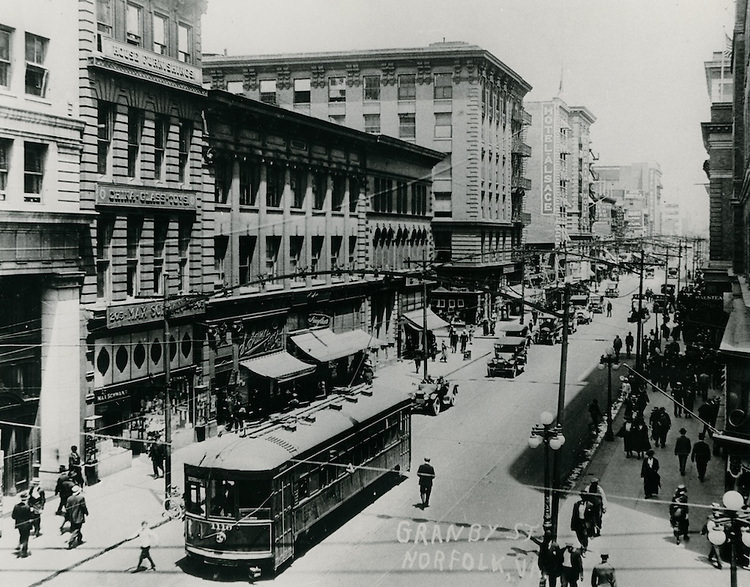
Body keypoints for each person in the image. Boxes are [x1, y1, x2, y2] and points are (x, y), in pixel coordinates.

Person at [12, 492, 33, 558]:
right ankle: (24, 551)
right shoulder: (27, 507)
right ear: (26, 499)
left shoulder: (16, 506)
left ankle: (20, 546)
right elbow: (30, 516)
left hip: (19, 525)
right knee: (26, 537)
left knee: (21, 535)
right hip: (26, 525)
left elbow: (13, 516)